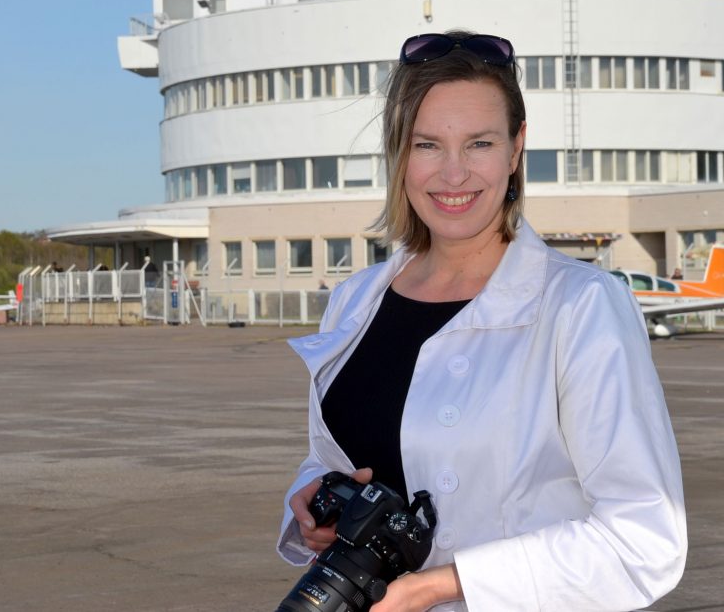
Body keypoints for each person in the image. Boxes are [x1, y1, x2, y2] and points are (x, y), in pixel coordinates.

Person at [276, 31, 686, 611]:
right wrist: (311, 500)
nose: (453, 174)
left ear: (517, 148)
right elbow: (347, 454)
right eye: (427, 145)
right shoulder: (356, 300)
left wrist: (444, 584)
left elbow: (644, 541)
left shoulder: (579, 305)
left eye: (479, 143)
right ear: (399, 153)